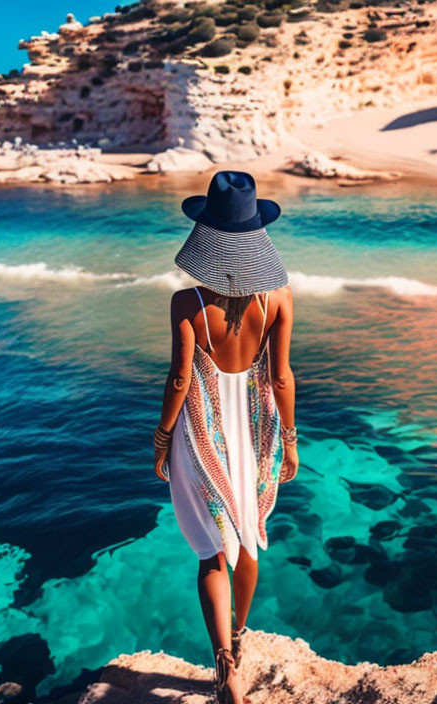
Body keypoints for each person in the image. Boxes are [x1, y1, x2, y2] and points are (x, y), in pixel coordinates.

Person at [152, 171, 299, 704]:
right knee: (250, 537)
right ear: (257, 234)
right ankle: (240, 638)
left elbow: (179, 380)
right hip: (257, 439)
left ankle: (224, 668)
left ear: (206, 234)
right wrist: (291, 437)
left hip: (203, 442)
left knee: (213, 555)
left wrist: (163, 436)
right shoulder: (278, 298)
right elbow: (281, 377)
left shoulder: (186, 303)